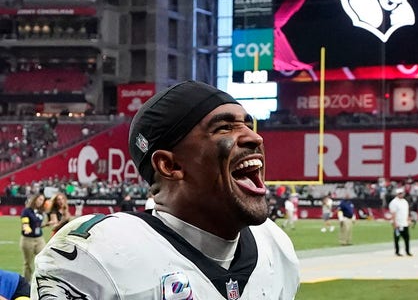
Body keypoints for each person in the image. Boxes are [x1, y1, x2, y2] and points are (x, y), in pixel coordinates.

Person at [32, 80, 300, 299]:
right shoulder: (97, 256)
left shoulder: (274, 247)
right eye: (224, 128)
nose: (255, 137)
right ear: (169, 165)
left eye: (247, 125)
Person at [20, 193, 47, 282]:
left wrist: (46, 224)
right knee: (28, 263)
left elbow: (38, 225)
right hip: (28, 239)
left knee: (44, 259)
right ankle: (27, 282)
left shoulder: (40, 211)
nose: (41, 202)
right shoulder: (27, 211)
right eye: (39, 199)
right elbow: (25, 222)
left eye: (42, 200)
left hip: (39, 239)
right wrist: (26, 227)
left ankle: (41, 280)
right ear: (34, 199)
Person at [389, 188, 411, 256]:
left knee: (407, 238)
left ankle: (407, 251)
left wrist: (408, 220)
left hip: (405, 223)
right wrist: (394, 222)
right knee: (397, 238)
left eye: (402, 193)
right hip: (398, 223)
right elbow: (393, 213)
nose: (401, 194)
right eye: (399, 193)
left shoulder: (405, 201)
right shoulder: (394, 202)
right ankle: (397, 251)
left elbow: (407, 212)